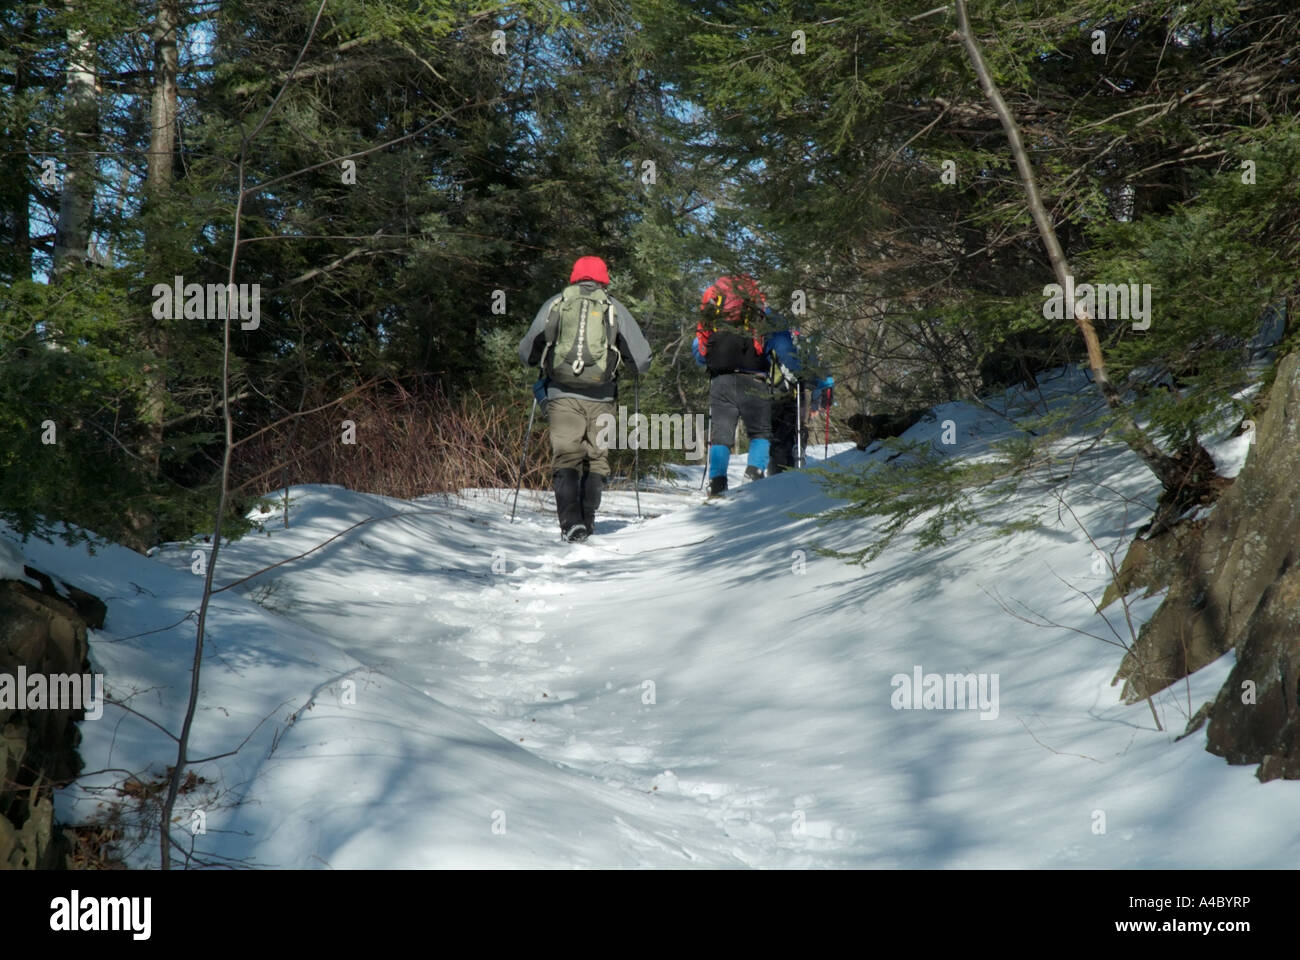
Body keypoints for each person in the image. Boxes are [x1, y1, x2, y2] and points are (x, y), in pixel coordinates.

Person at [518, 255, 652, 541]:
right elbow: (641, 361)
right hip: (602, 397)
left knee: (566, 456)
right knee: (597, 460)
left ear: (574, 275)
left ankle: (571, 524)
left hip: (561, 394)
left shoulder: (556, 303)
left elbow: (527, 351)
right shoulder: (613, 307)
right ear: (604, 278)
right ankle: (587, 522)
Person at [692, 274, 773, 498]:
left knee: (721, 436)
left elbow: (699, 351)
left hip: (721, 380)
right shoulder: (760, 311)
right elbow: (775, 343)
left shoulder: (714, 314)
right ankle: (754, 474)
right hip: (754, 378)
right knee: (760, 432)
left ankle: (717, 483)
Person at [764, 324, 833, 474]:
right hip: (795, 393)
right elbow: (815, 376)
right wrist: (816, 402)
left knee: (778, 437)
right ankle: (792, 464)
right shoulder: (804, 343)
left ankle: (778, 471)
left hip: (772, 392)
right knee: (795, 430)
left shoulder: (771, 339)